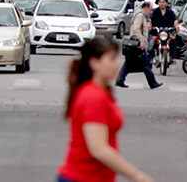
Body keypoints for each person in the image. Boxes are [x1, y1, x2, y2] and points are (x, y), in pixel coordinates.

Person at [57, 38, 156, 182]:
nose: (117, 64)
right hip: (82, 177)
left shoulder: (99, 91)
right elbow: (98, 149)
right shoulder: (93, 96)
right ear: (95, 63)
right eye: (111, 59)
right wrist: (139, 176)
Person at [115, 2, 162, 89]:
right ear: (146, 8)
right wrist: (142, 41)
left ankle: (120, 80)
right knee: (145, 63)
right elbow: (136, 28)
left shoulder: (143, 16)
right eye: (150, 10)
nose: (151, 12)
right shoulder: (140, 15)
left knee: (128, 63)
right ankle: (152, 83)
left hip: (137, 42)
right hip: (137, 43)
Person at [150, 0, 177, 64]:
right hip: (156, 31)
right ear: (158, 3)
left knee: (173, 40)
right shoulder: (155, 11)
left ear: (166, 3)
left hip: (168, 31)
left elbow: (175, 20)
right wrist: (149, 24)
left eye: (163, 2)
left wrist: (176, 25)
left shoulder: (170, 12)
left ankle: (172, 57)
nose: (162, 3)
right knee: (151, 43)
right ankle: (151, 58)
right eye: (160, 2)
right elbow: (150, 19)